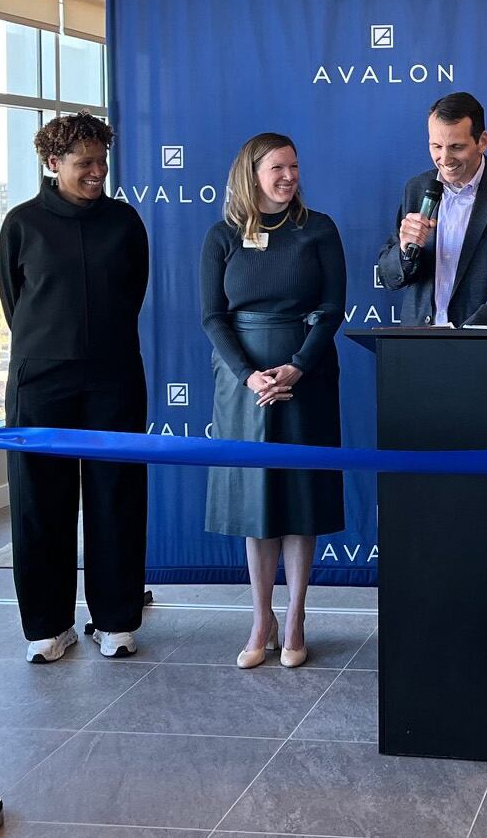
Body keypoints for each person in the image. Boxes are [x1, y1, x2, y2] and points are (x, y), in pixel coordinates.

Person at [0, 111, 150, 663]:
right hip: (40, 378)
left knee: (116, 496)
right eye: (85, 163)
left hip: (113, 375)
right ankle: (47, 625)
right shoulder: (21, 223)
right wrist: (53, 346)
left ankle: (115, 620)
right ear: (53, 162)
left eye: (102, 160)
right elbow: (15, 299)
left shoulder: (125, 222)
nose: (97, 171)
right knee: (41, 500)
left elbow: (133, 290)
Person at [200, 133, 347, 669]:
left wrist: (297, 367)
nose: (289, 177)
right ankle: (260, 619)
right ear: (251, 173)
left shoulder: (319, 229)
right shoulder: (222, 236)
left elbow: (332, 309)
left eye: (294, 167)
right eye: (277, 168)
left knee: (300, 497)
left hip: (305, 375)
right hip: (243, 384)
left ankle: (297, 616)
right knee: (254, 500)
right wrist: (249, 376)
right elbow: (213, 316)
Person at [375, 92, 487, 326]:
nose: (444, 158)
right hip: (418, 346)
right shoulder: (417, 188)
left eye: (456, 147)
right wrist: (405, 250)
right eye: (436, 146)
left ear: (482, 141)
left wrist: (468, 334)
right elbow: (388, 277)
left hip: (485, 348)